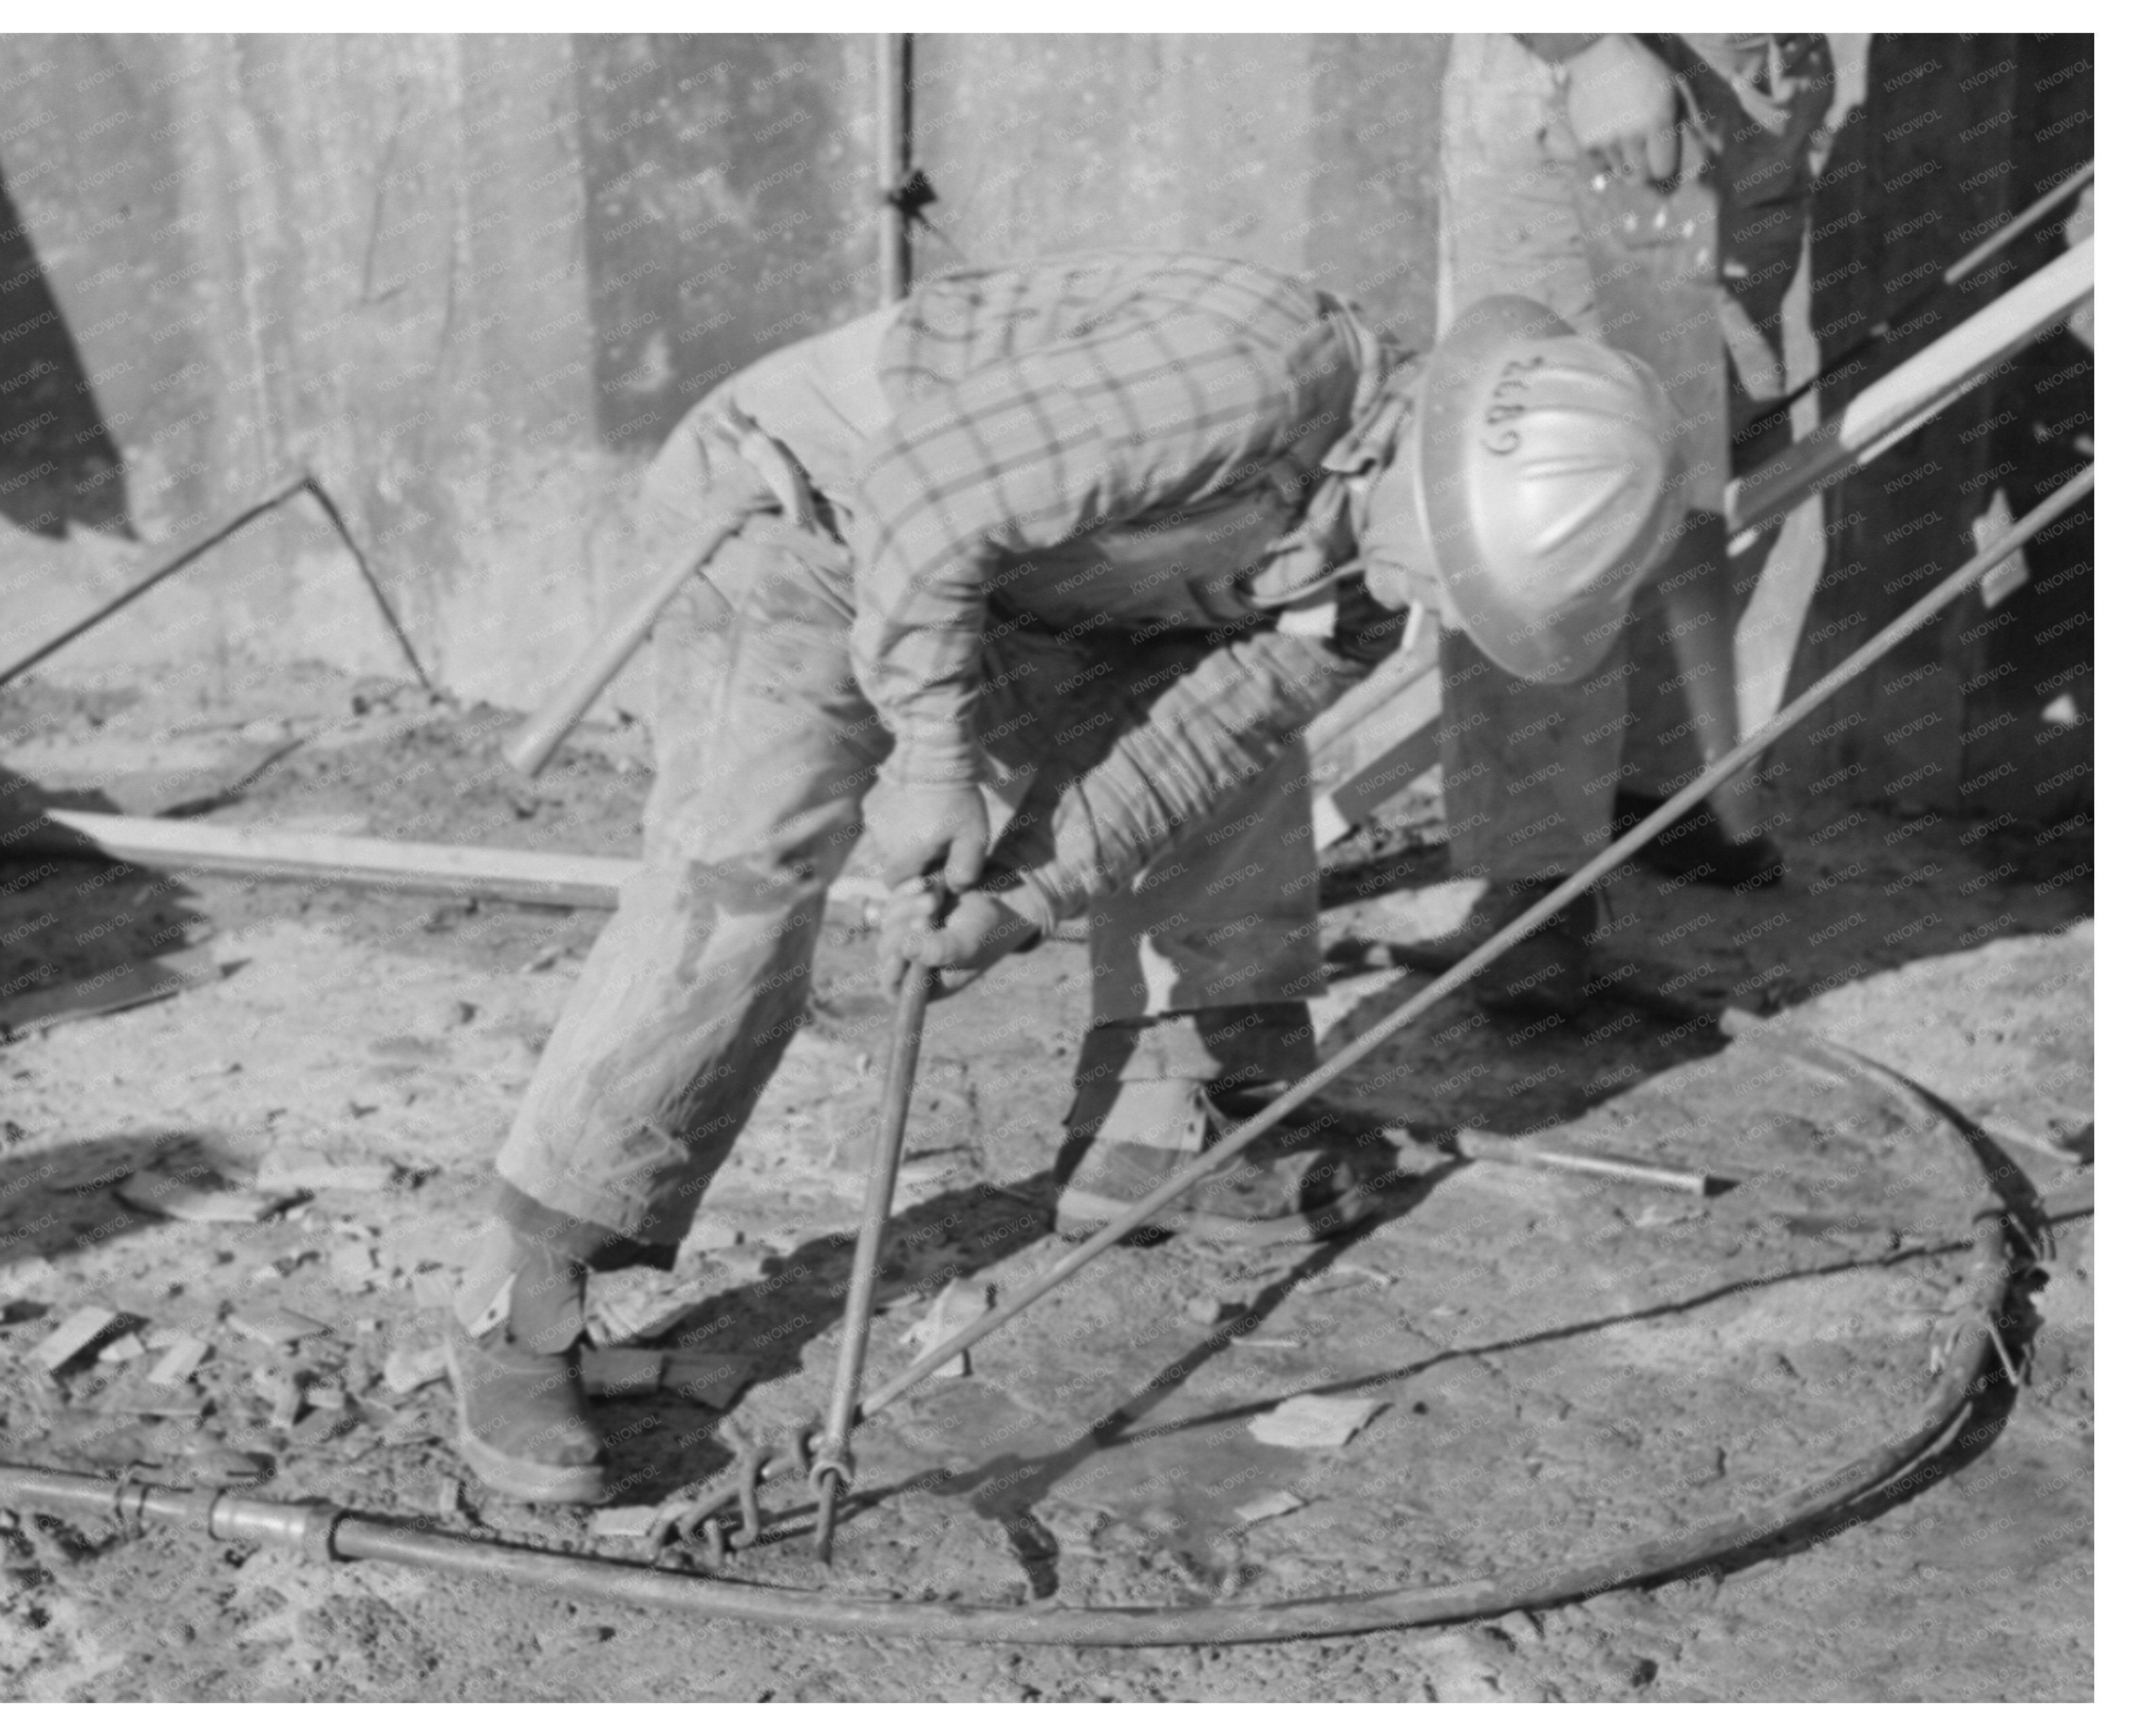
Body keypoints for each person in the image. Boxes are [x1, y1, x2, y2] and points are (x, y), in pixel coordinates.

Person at [445, 252, 1680, 1503]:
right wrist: (932, 762)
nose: (1438, 608)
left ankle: (1162, 1123)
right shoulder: (1259, 374)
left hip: (1014, 590)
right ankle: (518, 1292)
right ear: (1446, 461)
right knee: (750, 866)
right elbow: (926, 496)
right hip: (801, 513)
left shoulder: (1360, 585)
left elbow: (1186, 742)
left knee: (1241, 776)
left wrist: (1019, 896)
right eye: (1458, 569)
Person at [1433, 33, 1835, 1013]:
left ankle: (1660, 788)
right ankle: (1536, 893)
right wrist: (1593, 44)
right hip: (1587, 83)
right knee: (1551, 474)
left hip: (1742, 83)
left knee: (1680, 447)